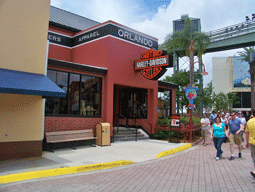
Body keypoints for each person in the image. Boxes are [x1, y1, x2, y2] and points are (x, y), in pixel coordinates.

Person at [246, 110, 255, 179]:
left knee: (254, 157)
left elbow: (247, 133)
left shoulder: (249, 122)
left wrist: (246, 142)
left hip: (252, 142)